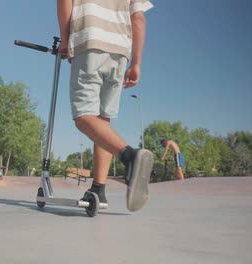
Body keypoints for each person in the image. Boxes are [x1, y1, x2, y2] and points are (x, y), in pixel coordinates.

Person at [57, 0, 154, 211]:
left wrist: (65, 41)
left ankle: (130, 157)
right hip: (120, 52)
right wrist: (136, 62)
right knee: (103, 121)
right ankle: (99, 190)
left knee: (84, 117)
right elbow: (138, 18)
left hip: (90, 42)